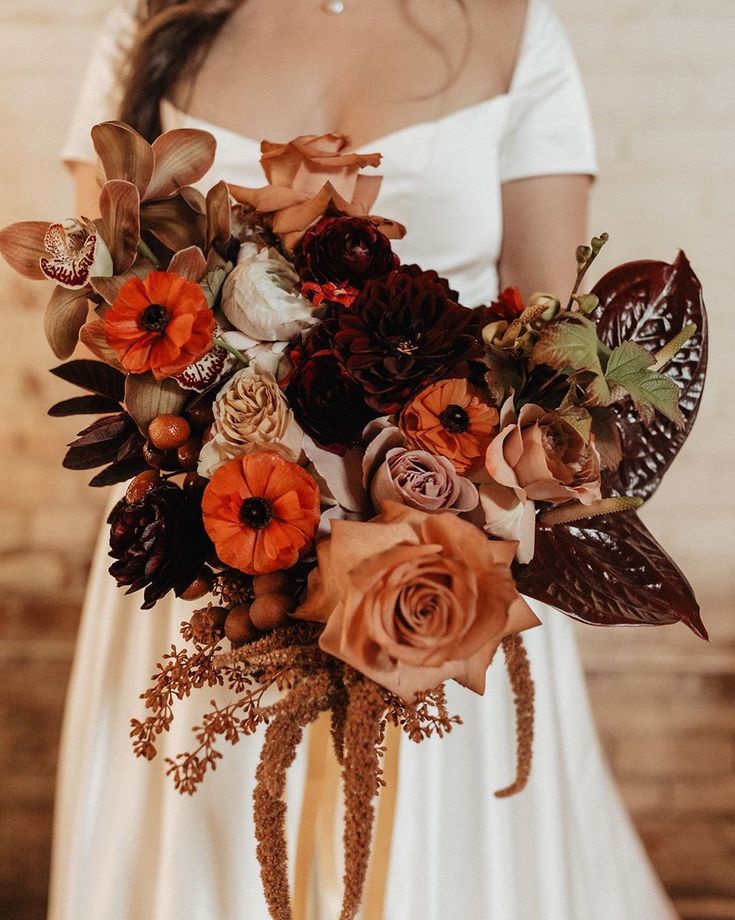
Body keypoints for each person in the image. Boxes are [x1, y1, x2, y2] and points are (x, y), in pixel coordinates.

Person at [50, 1, 678, 918]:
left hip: (443, 560)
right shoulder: (149, 22)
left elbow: (553, 347)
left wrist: (439, 504)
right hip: (210, 551)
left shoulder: (515, 30)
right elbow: (105, 309)